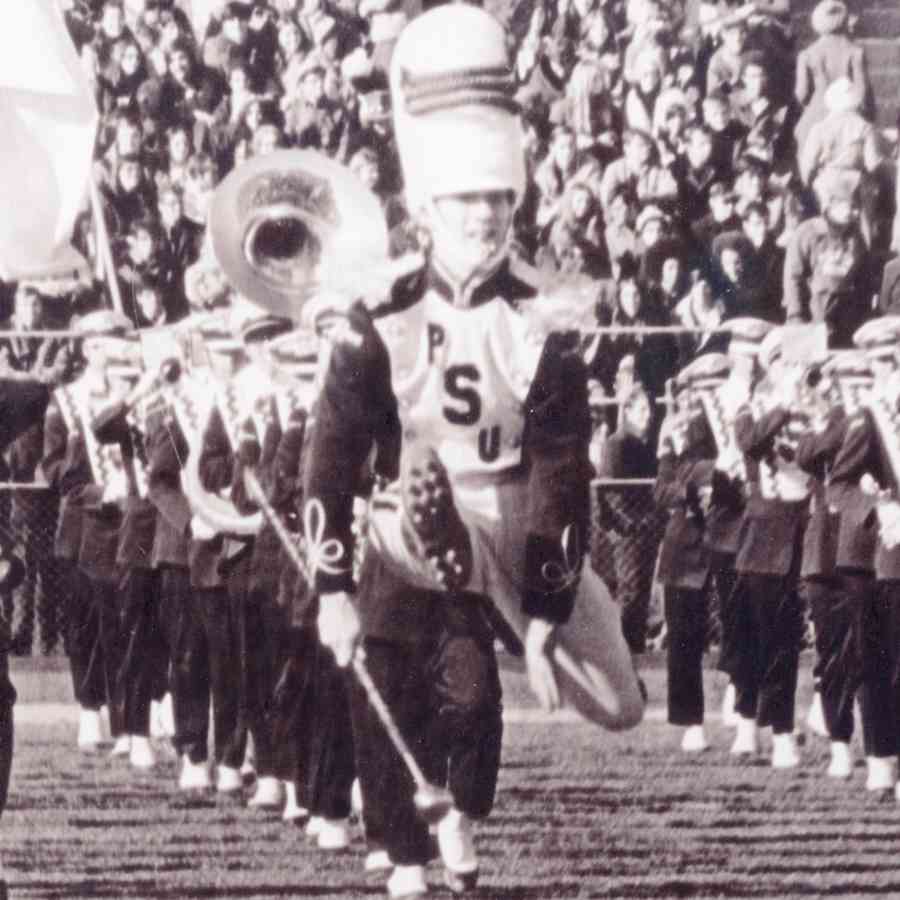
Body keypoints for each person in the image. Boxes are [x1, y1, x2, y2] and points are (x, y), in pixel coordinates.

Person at [300, 6, 644, 894]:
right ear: (423, 205)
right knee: (439, 685)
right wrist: (331, 588)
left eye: (497, 196)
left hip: (514, 506)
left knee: (621, 706)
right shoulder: (376, 312)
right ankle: (422, 833)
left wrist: (540, 612)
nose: (485, 214)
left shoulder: (545, 312)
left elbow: (564, 470)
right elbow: (331, 459)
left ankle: (457, 803)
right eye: (465, 197)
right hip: (413, 511)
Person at [730, 326, 810, 768]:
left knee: (785, 639)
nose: (792, 369)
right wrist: (784, 404)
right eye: (783, 361)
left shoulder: (810, 408)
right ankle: (749, 723)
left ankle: (783, 729)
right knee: (754, 636)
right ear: (770, 364)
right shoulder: (754, 405)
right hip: (763, 537)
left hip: (804, 532)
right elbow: (749, 441)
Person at [654, 353, 730, 752]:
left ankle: (743, 699)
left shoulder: (734, 423)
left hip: (733, 538)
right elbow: (661, 488)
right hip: (687, 543)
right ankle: (691, 721)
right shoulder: (675, 432)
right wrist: (693, 487)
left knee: (745, 623)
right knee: (684, 635)